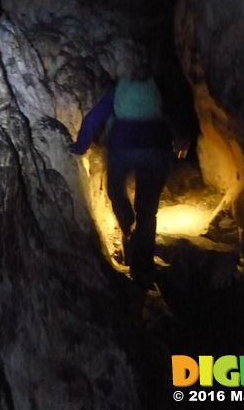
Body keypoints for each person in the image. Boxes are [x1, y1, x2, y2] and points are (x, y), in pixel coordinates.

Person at [69, 62, 173, 289]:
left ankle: (126, 222)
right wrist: (182, 138)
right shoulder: (155, 90)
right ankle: (142, 269)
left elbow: (93, 118)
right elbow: (171, 113)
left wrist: (79, 146)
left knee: (115, 188)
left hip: (123, 146)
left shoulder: (118, 92)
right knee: (148, 211)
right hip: (157, 149)